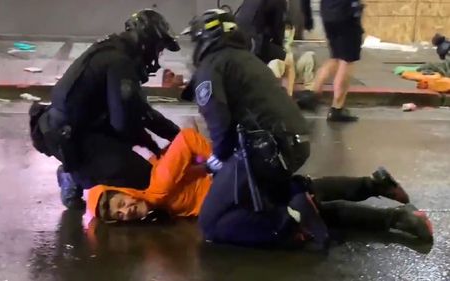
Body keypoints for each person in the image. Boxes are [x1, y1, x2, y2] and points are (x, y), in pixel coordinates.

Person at [179, 9, 431, 248]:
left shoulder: (211, 66)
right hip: (290, 143)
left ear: (205, 37)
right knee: (296, 196)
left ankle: (291, 223)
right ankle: (393, 213)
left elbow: (220, 126)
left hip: (265, 149)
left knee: (211, 223)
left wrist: (215, 161)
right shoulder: (244, 59)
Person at [86, 127, 433, 247]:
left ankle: (390, 209)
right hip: (244, 197)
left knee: (310, 199)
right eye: (121, 216)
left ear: (126, 191)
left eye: (122, 203)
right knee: (316, 202)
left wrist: (221, 161)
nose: (127, 211)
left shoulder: (157, 186)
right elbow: (190, 169)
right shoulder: (159, 203)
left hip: (245, 189)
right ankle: (388, 204)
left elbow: (188, 139)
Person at [28, 9, 181, 210]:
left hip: (63, 128)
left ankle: (80, 169)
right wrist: (147, 140)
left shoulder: (113, 50)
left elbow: (139, 109)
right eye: (159, 48)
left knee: (128, 141)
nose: (158, 55)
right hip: (68, 137)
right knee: (147, 180)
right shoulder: (120, 62)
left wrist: (178, 138)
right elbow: (124, 123)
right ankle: (74, 175)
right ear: (147, 41)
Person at [301, 0, 364, 121]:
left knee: (336, 57)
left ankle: (313, 93)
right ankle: (337, 108)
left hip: (328, 14)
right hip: (346, 14)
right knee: (347, 60)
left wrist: (307, 16)